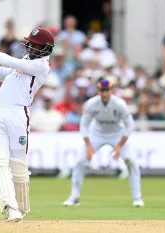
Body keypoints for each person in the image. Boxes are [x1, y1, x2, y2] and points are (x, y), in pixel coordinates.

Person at [0, 28, 54, 221]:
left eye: (36, 45)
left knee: (17, 166)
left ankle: (21, 208)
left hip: (19, 115)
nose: (31, 47)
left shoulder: (42, 66)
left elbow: (11, 61)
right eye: (31, 43)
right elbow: (4, 73)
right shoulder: (25, 62)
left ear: (45, 49)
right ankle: (10, 208)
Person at [62, 79, 144, 207]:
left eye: (107, 90)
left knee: (131, 161)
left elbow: (129, 126)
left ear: (111, 90)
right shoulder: (91, 104)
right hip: (97, 133)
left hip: (117, 133)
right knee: (80, 161)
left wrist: (119, 146)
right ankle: (74, 197)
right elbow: (84, 126)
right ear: (98, 91)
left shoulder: (120, 104)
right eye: (102, 90)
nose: (104, 93)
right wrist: (89, 146)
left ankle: (137, 198)